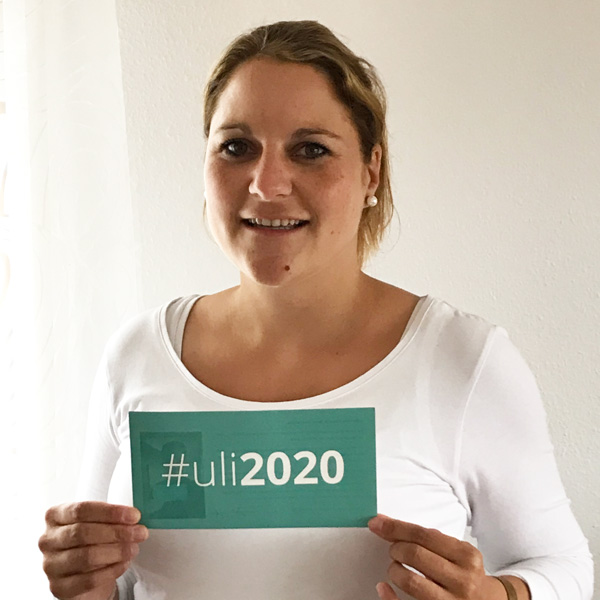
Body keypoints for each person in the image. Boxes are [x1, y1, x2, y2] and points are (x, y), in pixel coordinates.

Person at [38, 20, 593, 600]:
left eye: (311, 150)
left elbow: (565, 566)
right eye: (237, 147)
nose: (267, 183)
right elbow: (119, 581)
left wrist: (499, 595)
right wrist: (86, 584)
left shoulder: (462, 361)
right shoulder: (137, 356)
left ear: (372, 170)